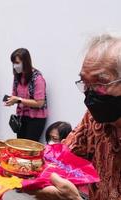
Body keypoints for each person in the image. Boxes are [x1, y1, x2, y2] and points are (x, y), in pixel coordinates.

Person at [32, 34, 121, 200]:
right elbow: (63, 155)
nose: (90, 95)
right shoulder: (94, 120)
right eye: (85, 84)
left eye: (100, 84)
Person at [5, 48, 47, 141]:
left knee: (29, 148)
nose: (15, 66)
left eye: (17, 63)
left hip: (36, 119)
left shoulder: (37, 78)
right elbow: (14, 95)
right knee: (20, 146)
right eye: (14, 63)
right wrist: (11, 100)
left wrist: (19, 100)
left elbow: (39, 103)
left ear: (25, 62)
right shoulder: (17, 77)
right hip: (21, 117)